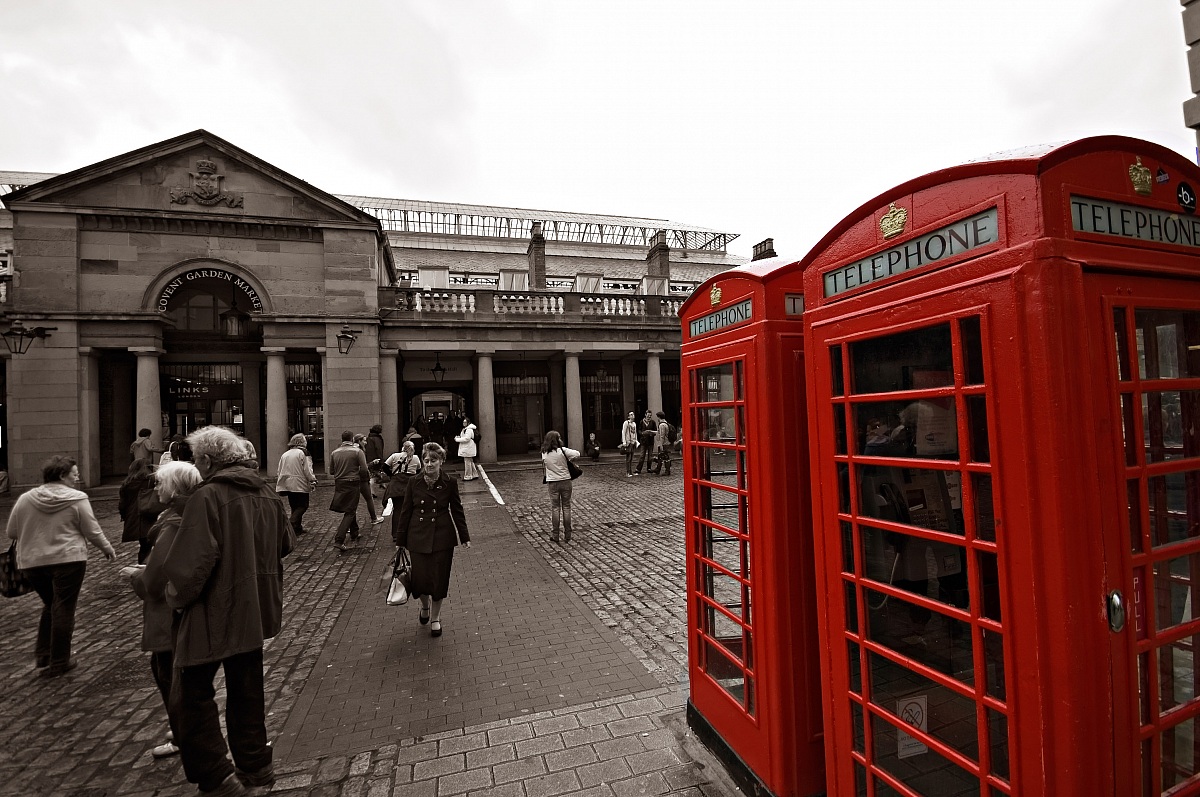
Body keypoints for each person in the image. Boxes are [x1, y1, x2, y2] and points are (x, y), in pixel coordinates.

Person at [162, 425, 293, 796]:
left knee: (190, 696)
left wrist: (174, 596)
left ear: (206, 460)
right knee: (247, 692)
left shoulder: (207, 497)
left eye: (196, 459)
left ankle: (216, 775)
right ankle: (256, 767)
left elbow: (191, 566)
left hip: (212, 611)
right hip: (253, 609)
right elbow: (285, 543)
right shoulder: (266, 492)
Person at [6, 455, 116, 677]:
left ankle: (44, 654)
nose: (77, 477)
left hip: (33, 562)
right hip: (68, 560)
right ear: (62, 475)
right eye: (74, 474)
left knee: (51, 604)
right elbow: (91, 529)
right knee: (63, 607)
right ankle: (59, 661)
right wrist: (106, 548)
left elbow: (12, 532)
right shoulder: (77, 498)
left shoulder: (26, 499)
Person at [124, 460, 203, 759]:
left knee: (169, 677)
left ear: (174, 488)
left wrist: (137, 576)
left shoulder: (171, 526)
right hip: (179, 613)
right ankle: (183, 725)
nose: (156, 488)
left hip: (166, 616)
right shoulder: (189, 517)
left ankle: (183, 733)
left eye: (160, 483)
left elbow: (154, 582)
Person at [394, 443, 471, 638]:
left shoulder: (449, 482)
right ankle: (425, 606)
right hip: (417, 537)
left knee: (439, 579)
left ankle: (435, 618)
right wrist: (400, 539)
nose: (429, 464)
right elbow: (405, 512)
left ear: (441, 461)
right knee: (420, 580)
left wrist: (464, 536)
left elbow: (457, 510)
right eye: (426, 460)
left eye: (433, 460)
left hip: (442, 537)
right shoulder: (414, 482)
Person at [119, 458, 166, 564]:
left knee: (144, 547)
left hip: (135, 518)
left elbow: (122, 505)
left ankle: (143, 567)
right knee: (151, 546)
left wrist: (125, 516)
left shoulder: (126, 484)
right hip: (150, 516)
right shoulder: (152, 481)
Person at [329, 430, 371, 551]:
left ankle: (354, 532)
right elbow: (364, 469)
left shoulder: (334, 453)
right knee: (350, 511)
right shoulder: (357, 452)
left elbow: (331, 471)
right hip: (353, 482)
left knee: (350, 507)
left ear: (342, 439)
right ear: (352, 439)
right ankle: (339, 539)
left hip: (339, 482)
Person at [540, 431, 580, 543]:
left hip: (552, 482)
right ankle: (568, 534)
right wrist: (569, 459)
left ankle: (555, 535)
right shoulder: (563, 451)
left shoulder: (544, 453)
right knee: (566, 507)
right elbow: (577, 453)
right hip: (565, 481)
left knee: (555, 508)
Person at [275, 433, 316, 537]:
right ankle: (291, 524)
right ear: (302, 442)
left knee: (294, 506)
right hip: (299, 482)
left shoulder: (286, 454)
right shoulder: (304, 452)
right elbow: (308, 469)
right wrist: (312, 479)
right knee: (303, 505)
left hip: (287, 483)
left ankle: (297, 528)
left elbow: (279, 469)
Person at [352, 433, 382, 525]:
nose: (366, 442)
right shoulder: (359, 451)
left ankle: (351, 524)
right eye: (364, 440)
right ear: (359, 441)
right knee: (369, 498)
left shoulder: (353, 449)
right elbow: (363, 467)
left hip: (354, 478)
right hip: (362, 478)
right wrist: (372, 463)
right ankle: (374, 518)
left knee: (353, 502)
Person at [365, 424, 386, 498]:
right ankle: (372, 491)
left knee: (373, 474)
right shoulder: (377, 439)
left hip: (369, 458)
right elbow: (379, 449)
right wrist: (381, 459)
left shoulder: (369, 438)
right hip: (376, 459)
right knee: (374, 475)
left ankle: (381, 484)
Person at [455, 417, 479, 481]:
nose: (464, 423)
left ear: (468, 422)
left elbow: (467, 439)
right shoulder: (467, 429)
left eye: (465, 422)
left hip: (468, 447)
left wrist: (457, 439)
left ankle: (468, 476)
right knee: (470, 461)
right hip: (468, 447)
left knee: (467, 462)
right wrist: (459, 437)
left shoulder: (468, 430)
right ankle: (474, 474)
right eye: (463, 422)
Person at [634, 410, 657, 475]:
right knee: (642, 456)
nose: (649, 417)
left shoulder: (653, 422)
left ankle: (649, 468)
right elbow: (639, 430)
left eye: (650, 415)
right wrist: (642, 433)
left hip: (650, 441)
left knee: (650, 456)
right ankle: (638, 469)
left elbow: (655, 431)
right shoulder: (642, 422)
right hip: (643, 441)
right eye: (648, 415)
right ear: (645, 415)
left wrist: (651, 433)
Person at [650, 412, 673, 476]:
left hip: (664, 443)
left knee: (665, 457)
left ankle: (667, 471)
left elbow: (662, 435)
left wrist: (661, 444)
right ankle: (658, 469)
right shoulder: (665, 423)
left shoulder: (662, 425)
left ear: (659, 417)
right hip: (665, 442)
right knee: (660, 456)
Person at [621, 412, 638, 476]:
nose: (632, 416)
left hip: (633, 442)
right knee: (628, 457)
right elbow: (623, 432)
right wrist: (624, 441)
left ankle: (630, 471)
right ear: (628, 416)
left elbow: (635, 433)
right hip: (628, 442)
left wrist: (636, 441)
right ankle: (628, 472)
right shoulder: (626, 423)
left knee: (631, 458)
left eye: (633, 414)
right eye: (631, 415)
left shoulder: (634, 424)